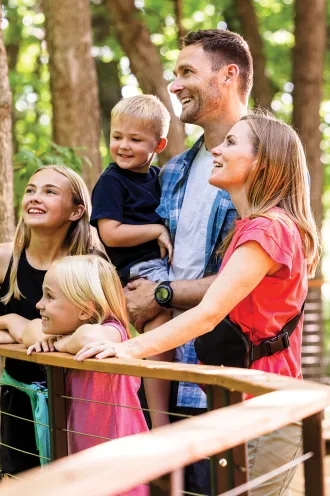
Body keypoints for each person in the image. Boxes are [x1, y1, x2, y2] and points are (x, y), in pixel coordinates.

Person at [75, 112, 321, 495]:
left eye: (232, 143)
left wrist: (126, 349)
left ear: (262, 162)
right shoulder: (252, 227)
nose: (218, 149)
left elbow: (208, 313)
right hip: (241, 403)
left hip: (262, 408)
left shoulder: (268, 229)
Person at [117, 29, 254, 494]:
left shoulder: (267, 161)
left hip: (233, 380)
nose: (173, 85)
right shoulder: (172, 171)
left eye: (187, 72)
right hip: (171, 375)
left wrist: (160, 294)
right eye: (175, 74)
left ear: (228, 76)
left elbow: (253, 276)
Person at [0, 165, 97, 475]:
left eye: (49, 191)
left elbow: (104, 331)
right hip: (20, 400)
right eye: (30, 190)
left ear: (76, 211)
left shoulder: (89, 263)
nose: (35, 197)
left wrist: (19, 334)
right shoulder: (3, 259)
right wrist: (7, 322)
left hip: (79, 400)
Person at [25, 255, 149, 496]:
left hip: (120, 469)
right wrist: (8, 324)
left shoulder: (114, 332)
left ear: (84, 309)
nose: (39, 304)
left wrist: (58, 343)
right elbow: (30, 330)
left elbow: (88, 338)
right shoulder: (71, 334)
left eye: (49, 296)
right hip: (86, 466)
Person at [90, 94, 174, 428]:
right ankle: (158, 416)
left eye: (135, 140)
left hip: (158, 263)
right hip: (137, 267)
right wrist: (155, 230)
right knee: (165, 311)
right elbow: (110, 233)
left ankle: (157, 408)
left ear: (159, 144)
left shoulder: (157, 178)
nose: (123, 146)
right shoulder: (111, 181)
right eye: (117, 137)